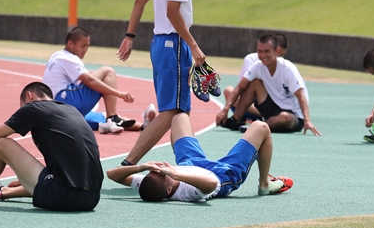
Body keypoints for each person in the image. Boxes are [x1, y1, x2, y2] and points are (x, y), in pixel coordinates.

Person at [115, 0, 210, 167]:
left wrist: (130, 35)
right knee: (172, 112)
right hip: (174, 44)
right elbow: (173, 13)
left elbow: (139, 1)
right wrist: (194, 45)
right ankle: (129, 163)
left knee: (179, 111)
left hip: (158, 44)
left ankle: (187, 164)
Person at [0, 82, 103, 212]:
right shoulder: (70, 110)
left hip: (64, 196)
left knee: (2, 144)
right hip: (91, 199)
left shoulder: (34, 108)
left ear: (29, 96)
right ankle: (2, 191)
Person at [107, 112, 293, 201]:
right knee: (261, 127)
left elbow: (111, 173)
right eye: (163, 174)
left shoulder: (150, 183)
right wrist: (176, 174)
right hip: (223, 174)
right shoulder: (188, 193)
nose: (162, 169)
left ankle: (265, 184)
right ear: (170, 190)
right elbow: (212, 184)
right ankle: (264, 185)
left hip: (191, 162)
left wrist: (142, 167)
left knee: (179, 117)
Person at [43, 26, 156, 134]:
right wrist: (119, 94)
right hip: (66, 102)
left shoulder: (57, 55)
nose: (86, 50)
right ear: (70, 44)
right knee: (107, 71)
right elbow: (90, 81)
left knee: (104, 117)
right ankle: (113, 117)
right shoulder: (68, 57)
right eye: (83, 46)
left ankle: (144, 125)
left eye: (88, 46)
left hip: (59, 112)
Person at [216, 35, 320, 135]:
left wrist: (307, 120)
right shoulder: (257, 66)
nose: (262, 55)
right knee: (255, 83)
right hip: (272, 109)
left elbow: (301, 96)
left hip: (294, 115)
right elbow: (239, 87)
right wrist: (224, 110)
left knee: (284, 117)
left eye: (267, 51)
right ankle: (234, 120)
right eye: (259, 51)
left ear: (276, 51)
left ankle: (254, 127)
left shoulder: (287, 68)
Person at [222, 33, 300, 122]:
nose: (279, 58)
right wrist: (225, 109)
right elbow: (245, 87)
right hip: (249, 103)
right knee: (229, 90)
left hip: (268, 105)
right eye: (278, 54)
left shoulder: (283, 66)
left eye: (282, 55)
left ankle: (267, 119)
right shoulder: (252, 60)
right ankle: (250, 118)